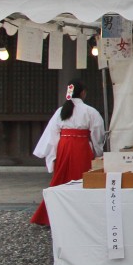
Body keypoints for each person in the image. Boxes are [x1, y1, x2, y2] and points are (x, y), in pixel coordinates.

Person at [31, 79, 106, 226]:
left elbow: (52, 133)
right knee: (82, 179)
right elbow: (98, 133)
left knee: (61, 179)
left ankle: (51, 216)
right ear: (83, 93)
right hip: (81, 146)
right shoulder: (90, 111)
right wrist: (97, 151)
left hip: (64, 146)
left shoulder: (61, 111)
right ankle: (83, 215)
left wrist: (52, 155)